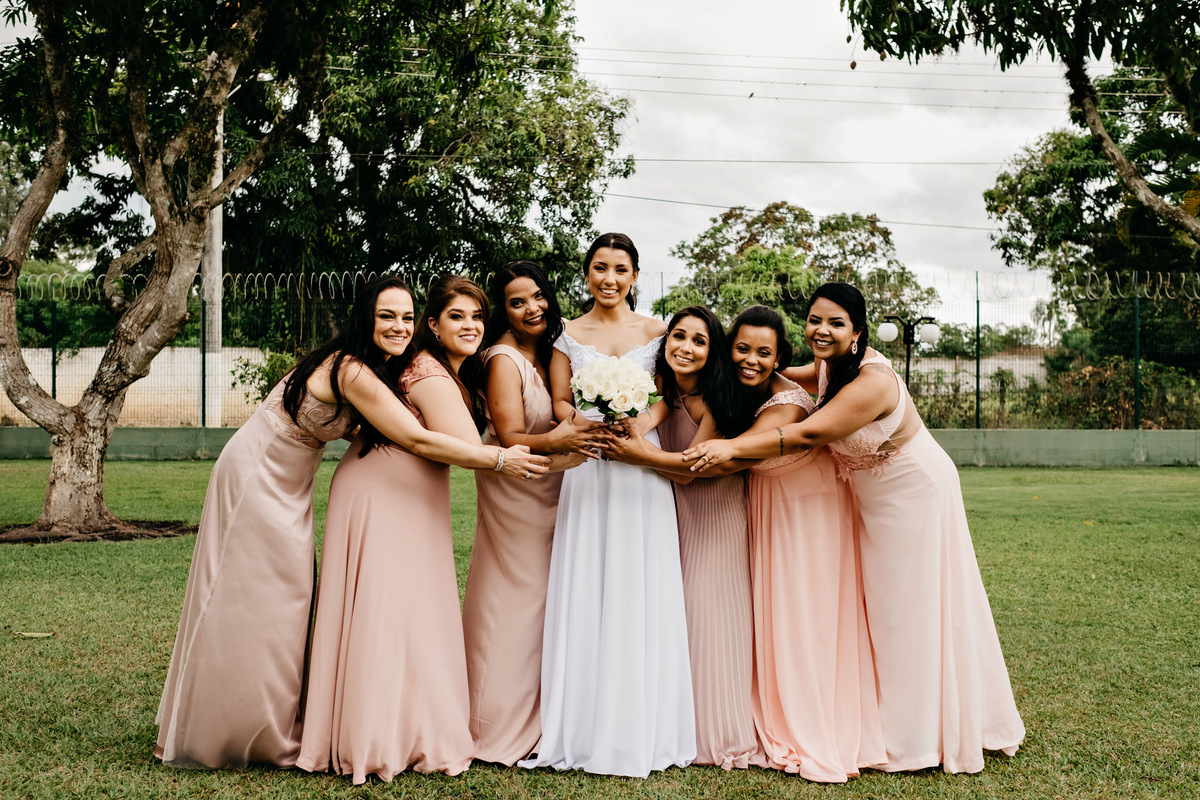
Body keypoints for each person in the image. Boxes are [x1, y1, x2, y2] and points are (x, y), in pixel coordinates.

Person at [155, 275, 548, 770]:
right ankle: (230, 729)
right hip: (258, 472)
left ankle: (265, 721)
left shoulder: (375, 368)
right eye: (387, 316)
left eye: (406, 317)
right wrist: (499, 459)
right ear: (366, 317)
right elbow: (417, 439)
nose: (399, 326)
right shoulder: (352, 369)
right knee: (255, 598)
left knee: (289, 601)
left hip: (292, 479)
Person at [684, 283, 1026, 774]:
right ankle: (887, 722)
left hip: (912, 493)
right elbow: (781, 373)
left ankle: (921, 738)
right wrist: (728, 366)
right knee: (881, 616)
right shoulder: (828, 364)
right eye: (815, 320)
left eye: (836, 323)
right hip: (866, 501)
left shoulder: (872, 380)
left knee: (913, 613)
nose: (822, 331)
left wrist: (731, 447)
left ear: (858, 332)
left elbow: (808, 431)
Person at [298, 276, 543, 783]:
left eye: (477, 317)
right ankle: (380, 737)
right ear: (433, 325)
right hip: (388, 495)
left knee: (404, 612)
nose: (470, 326)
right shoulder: (430, 372)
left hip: (403, 493)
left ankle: (386, 727)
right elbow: (466, 447)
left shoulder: (436, 369)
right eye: (457, 317)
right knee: (389, 614)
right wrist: (543, 453)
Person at [519, 233, 696, 777]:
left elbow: (668, 394)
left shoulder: (658, 331)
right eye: (600, 267)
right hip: (588, 464)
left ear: (635, 275)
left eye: (621, 269)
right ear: (587, 273)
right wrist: (583, 422)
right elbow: (561, 400)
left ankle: (644, 722)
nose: (610, 279)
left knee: (642, 578)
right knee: (589, 575)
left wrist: (640, 425)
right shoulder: (566, 332)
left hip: (640, 463)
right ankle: (583, 723)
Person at [603, 306, 760, 770]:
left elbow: (692, 469)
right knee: (681, 618)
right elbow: (643, 425)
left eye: (699, 341)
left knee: (712, 616)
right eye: (678, 336)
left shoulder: (713, 399)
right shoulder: (663, 390)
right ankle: (678, 723)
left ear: (712, 352)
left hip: (714, 514)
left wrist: (637, 457)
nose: (685, 347)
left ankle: (720, 736)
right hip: (674, 515)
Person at [462, 261, 604, 765]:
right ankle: (493, 722)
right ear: (503, 311)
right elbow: (509, 436)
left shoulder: (548, 350)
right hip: (516, 486)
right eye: (517, 302)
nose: (532, 308)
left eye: (538, 295)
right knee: (517, 595)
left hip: (550, 482)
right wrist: (562, 439)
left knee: (544, 598)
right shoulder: (503, 359)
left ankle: (541, 714)